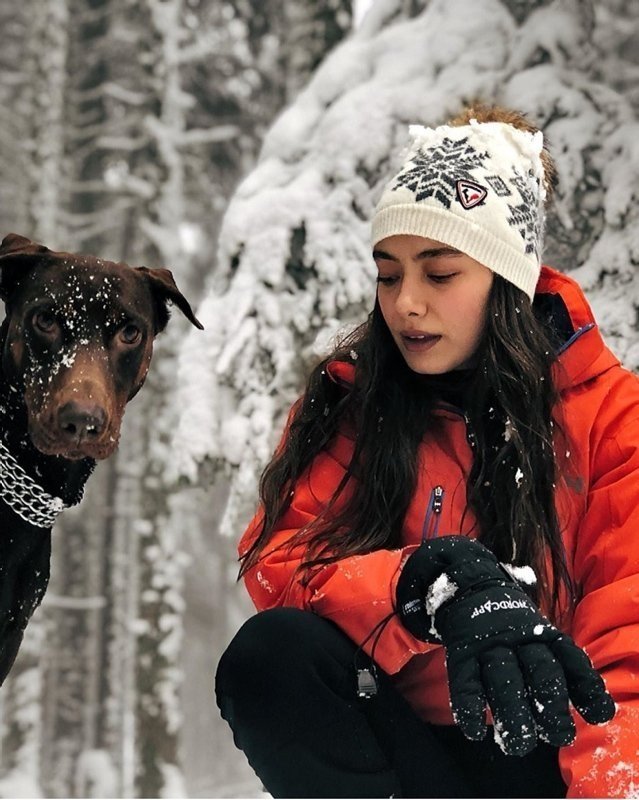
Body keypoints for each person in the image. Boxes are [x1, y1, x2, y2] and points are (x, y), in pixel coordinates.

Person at [215, 105, 639, 799]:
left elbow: (628, 650)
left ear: (507, 279)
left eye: (438, 275)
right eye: (388, 275)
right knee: (273, 656)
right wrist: (417, 591)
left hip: (544, 760)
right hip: (405, 758)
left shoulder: (612, 417)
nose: (405, 303)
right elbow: (283, 568)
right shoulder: (354, 403)